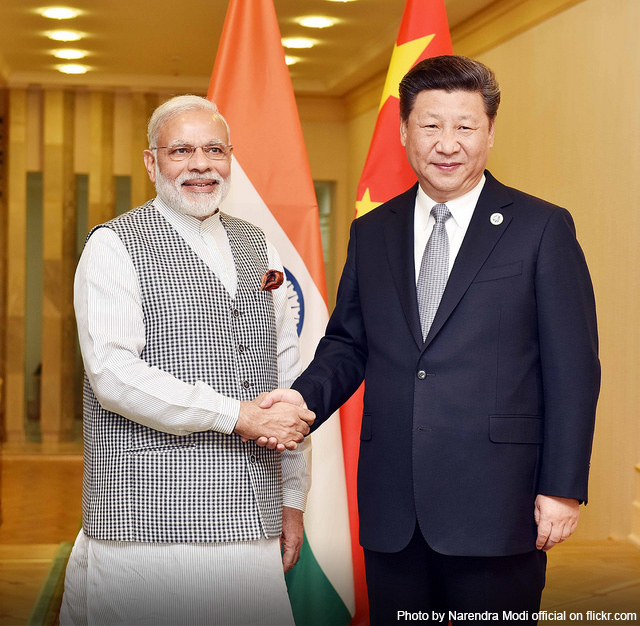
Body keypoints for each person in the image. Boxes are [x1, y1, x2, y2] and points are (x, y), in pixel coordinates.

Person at [264, 55, 600, 624]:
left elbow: (573, 369)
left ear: (490, 133)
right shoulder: (373, 231)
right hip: (394, 506)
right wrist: (302, 401)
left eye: (465, 126)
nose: (448, 143)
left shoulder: (541, 227)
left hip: (499, 503)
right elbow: (348, 344)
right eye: (430, 125)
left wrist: (562, 488)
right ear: (403, 132)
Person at [60, 95, 314, 626]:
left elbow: (283, 379)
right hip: (146, 527)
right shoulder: (113, 245)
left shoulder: (258, 245)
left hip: (251, 520)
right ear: (152, 163)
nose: (201, 164)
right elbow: (112, 374)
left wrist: (292, 498)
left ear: (229, 159)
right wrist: (236, 415)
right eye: (181, 150)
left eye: (214, 149)